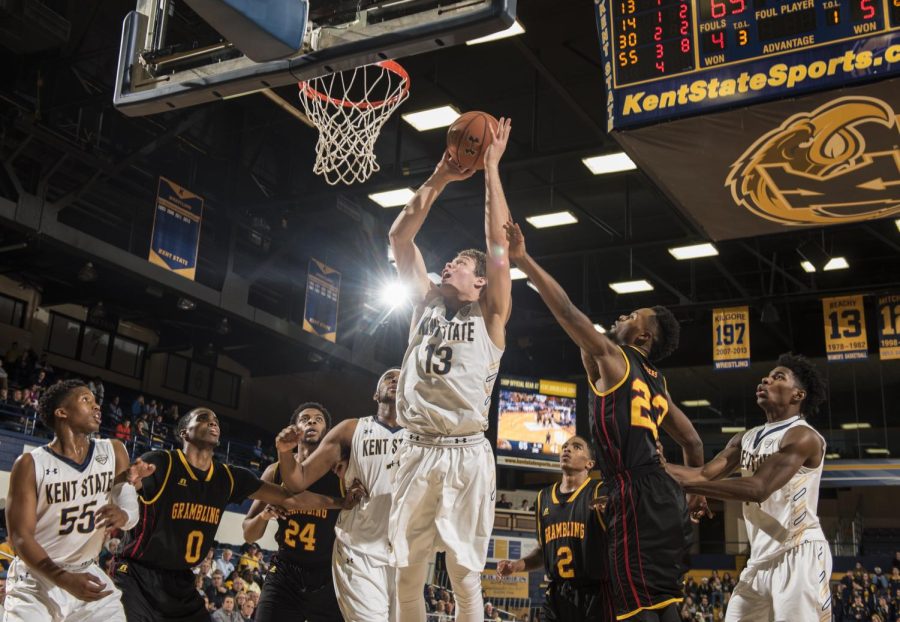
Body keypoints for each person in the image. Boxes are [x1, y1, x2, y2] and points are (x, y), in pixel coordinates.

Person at [505, 220, 707, 621]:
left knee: (634, 609)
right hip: (662, 495)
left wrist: (524, 261)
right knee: (663, 602)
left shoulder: (617, 360)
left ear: (643, 337)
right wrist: (696, 495)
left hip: (632, 491)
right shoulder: (657, 383)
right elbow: (695, 444)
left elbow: (565, 311)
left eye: (633, 315)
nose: (623, 315)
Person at [386, 119, 514, 622]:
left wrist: (491, 170)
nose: (448, 266)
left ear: (480, 281)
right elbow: (399, 235)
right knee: (407, 571)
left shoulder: (491, 315)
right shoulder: (425, 303)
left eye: (460, 263)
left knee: (464, 574)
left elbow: (498, 242)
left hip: (465, 453)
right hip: (416, 446)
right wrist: (440, 175)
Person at [115, 406, 362, 622]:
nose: (212, 422)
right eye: (203, 418)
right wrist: (125, 484)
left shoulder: (228, 476)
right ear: (184, 432)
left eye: (216, 421)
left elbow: (290, 497)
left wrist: (342, 502)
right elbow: (124, 485)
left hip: (182, 581)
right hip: (139, 574)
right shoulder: (161, 462)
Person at [665, 353, 832, 621]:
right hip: (758, 560)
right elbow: (704, 474)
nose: (766, 379)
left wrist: (686, 485)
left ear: (797, 395)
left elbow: (758, 488)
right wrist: (652, 463)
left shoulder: (803, 436)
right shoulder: (746, 438)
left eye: (778, 377)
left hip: (798, 553)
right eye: (767, 376)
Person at [4, 379, 138, 621]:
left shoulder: (114, 451)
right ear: (62, 412)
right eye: (86, 400)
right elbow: (20, 537)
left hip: (86, 571)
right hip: (38, 578)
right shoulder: (31, 464)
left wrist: (124, 515)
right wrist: (63, 579)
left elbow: (129, 508)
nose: (97, 407)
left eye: (97, 402)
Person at [276, 369, 404, 621]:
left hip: (405, 554)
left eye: (402, 378)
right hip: (359, 550)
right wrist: (283, 451)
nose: (395, 380)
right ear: (375, 394)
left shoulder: (425, 436)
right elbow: (297, 481)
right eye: (388, 377)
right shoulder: (351, 430)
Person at [244, 402, 343, 622]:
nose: (311, 421)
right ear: (294, 429)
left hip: (327, 574)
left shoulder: (340, 473)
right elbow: (249, 533)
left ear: (326, 432)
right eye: (305, 418)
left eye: (318, 419)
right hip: (285, 571)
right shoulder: (275, 471)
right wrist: (264, 516)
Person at [497, 436, 614, 622]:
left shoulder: (600, 492)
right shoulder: (543, 497)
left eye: (576, 447)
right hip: (557, 595)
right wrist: (515, 566)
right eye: (565, 446)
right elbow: (544, 552)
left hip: (596, 594)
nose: (567, 449)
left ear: (590, 463)